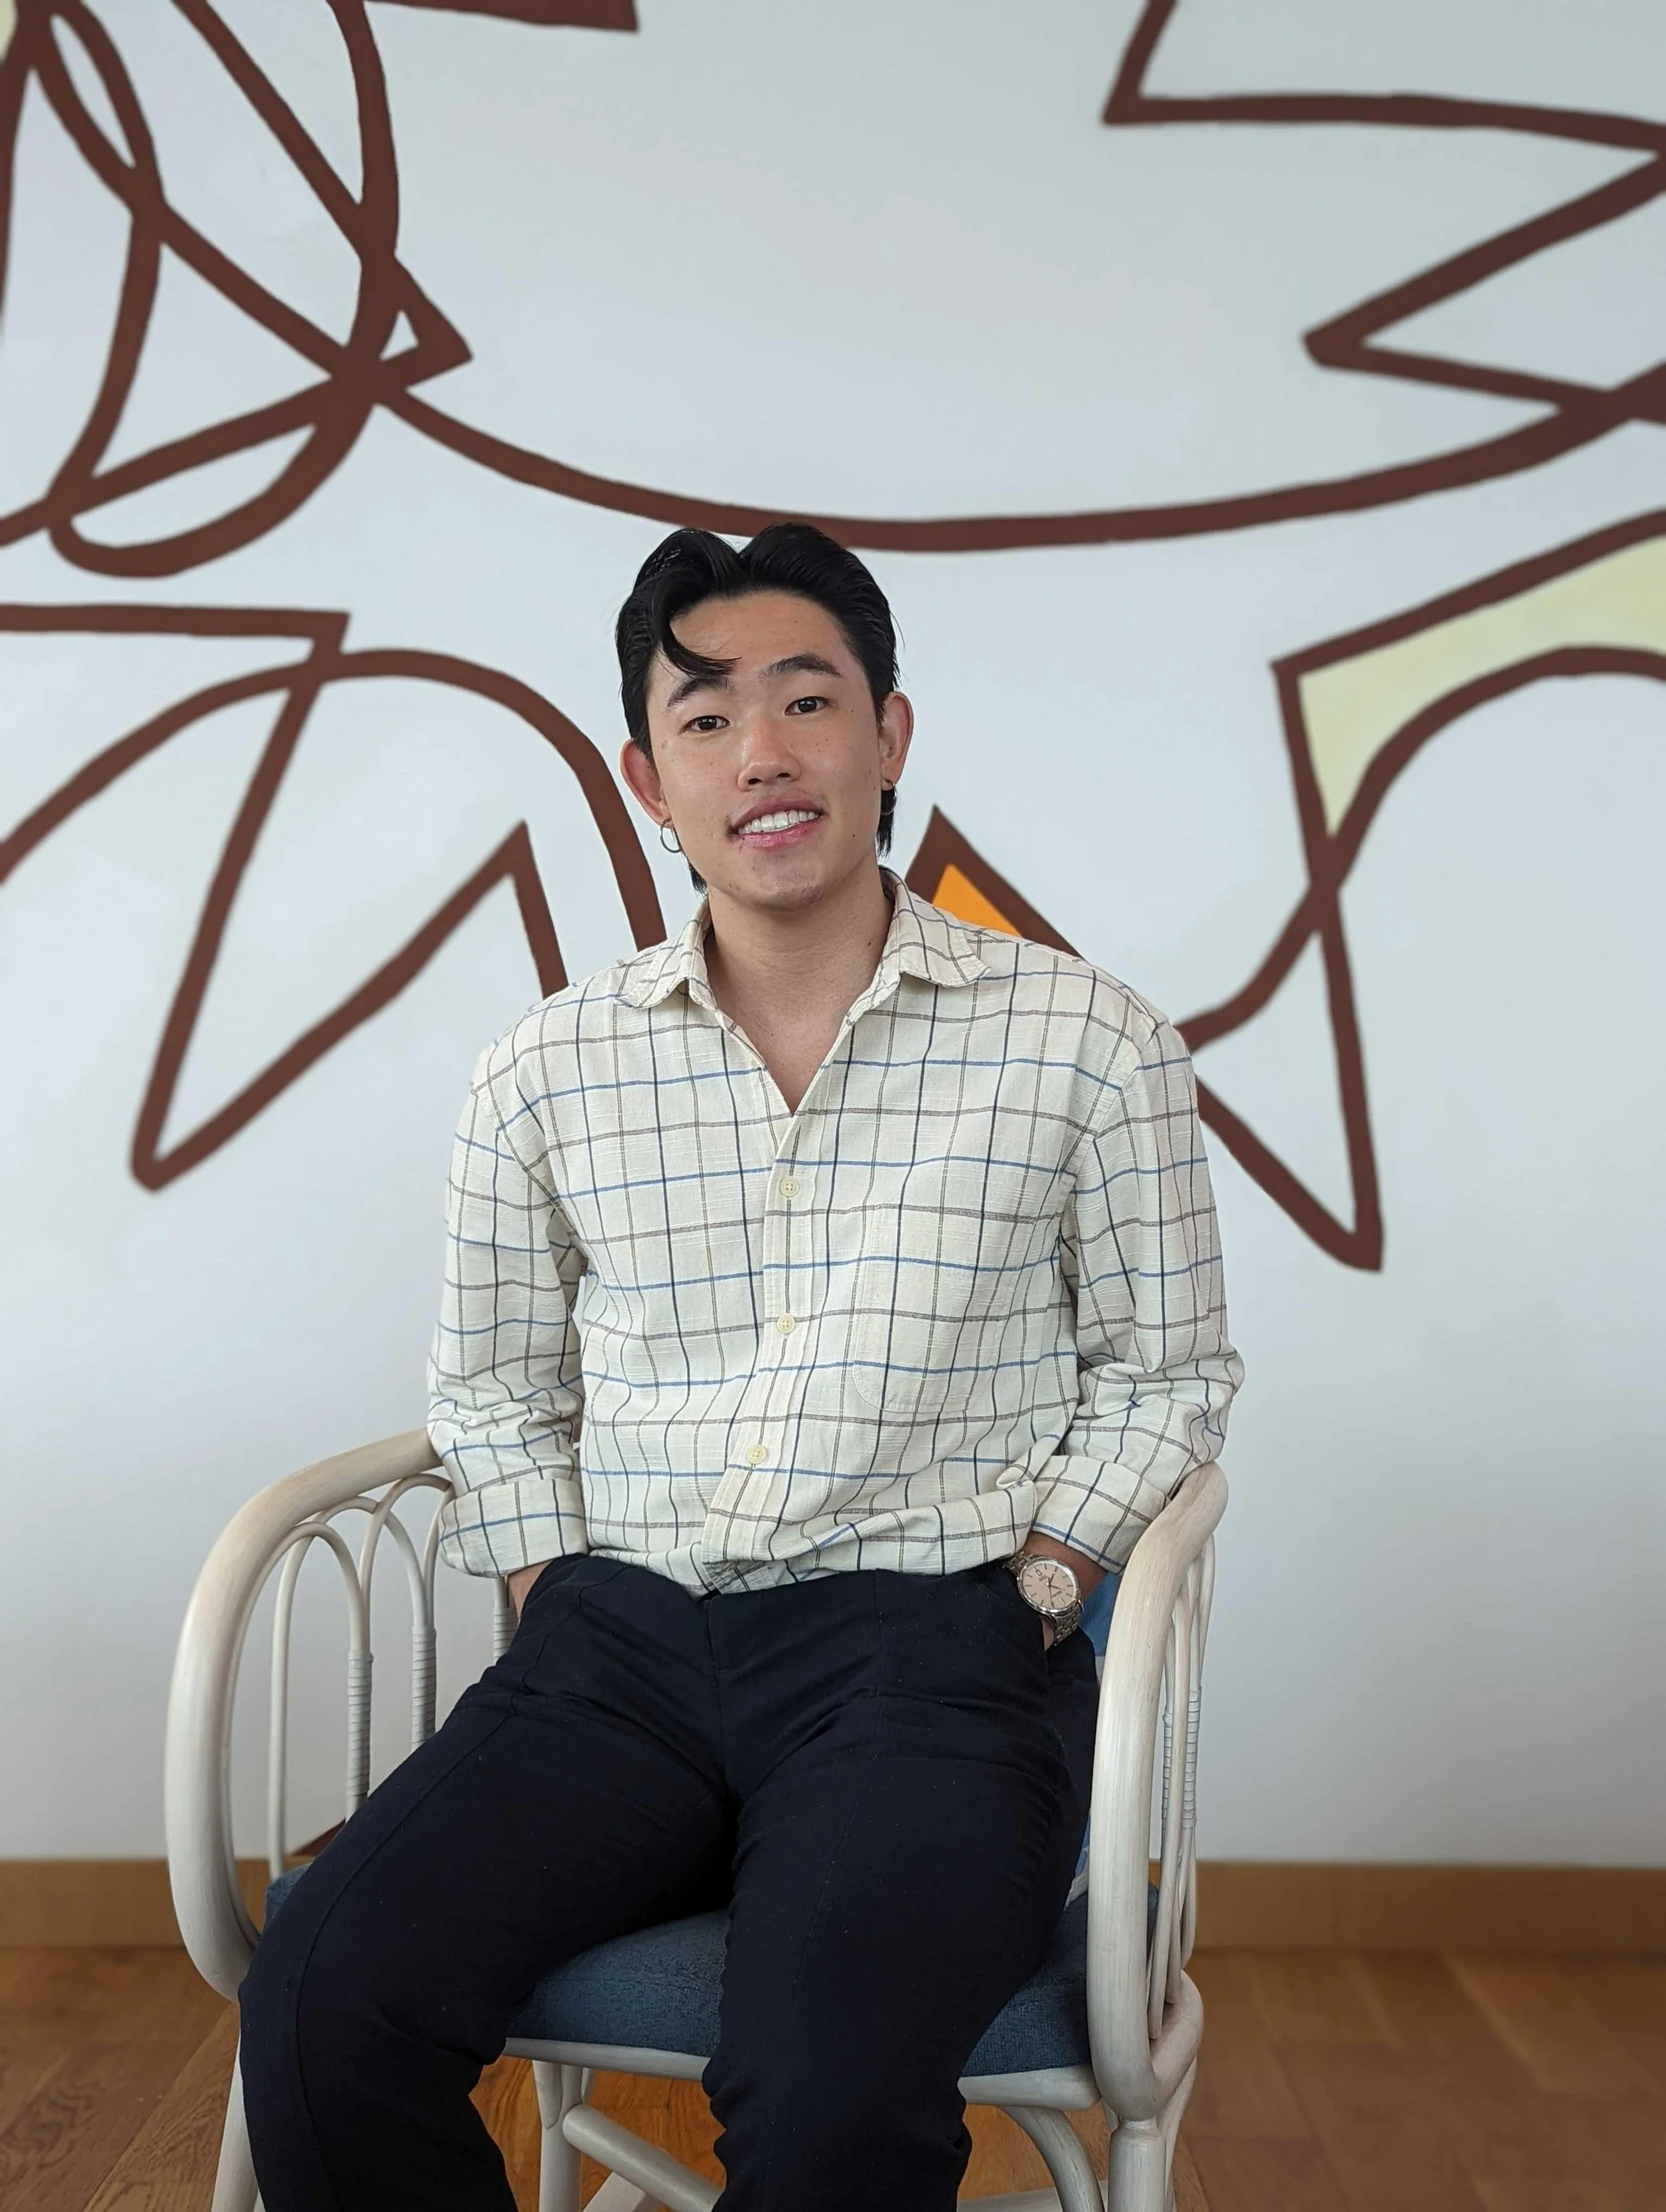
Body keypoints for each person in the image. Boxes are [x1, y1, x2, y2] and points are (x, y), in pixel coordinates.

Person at [239, 522, 1242, 2210]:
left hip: (927, 1658)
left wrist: (1045, 1580)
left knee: (826, 2085)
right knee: (325, 1999)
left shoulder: (1086, 1039)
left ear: (888, 735)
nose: (760, 754)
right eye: (703, 721)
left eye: (805, 700)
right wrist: (562, 1579)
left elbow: (1167, 1376)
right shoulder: (545, 1067)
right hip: (615, 1653)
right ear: (646, 776)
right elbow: (491, 1387)